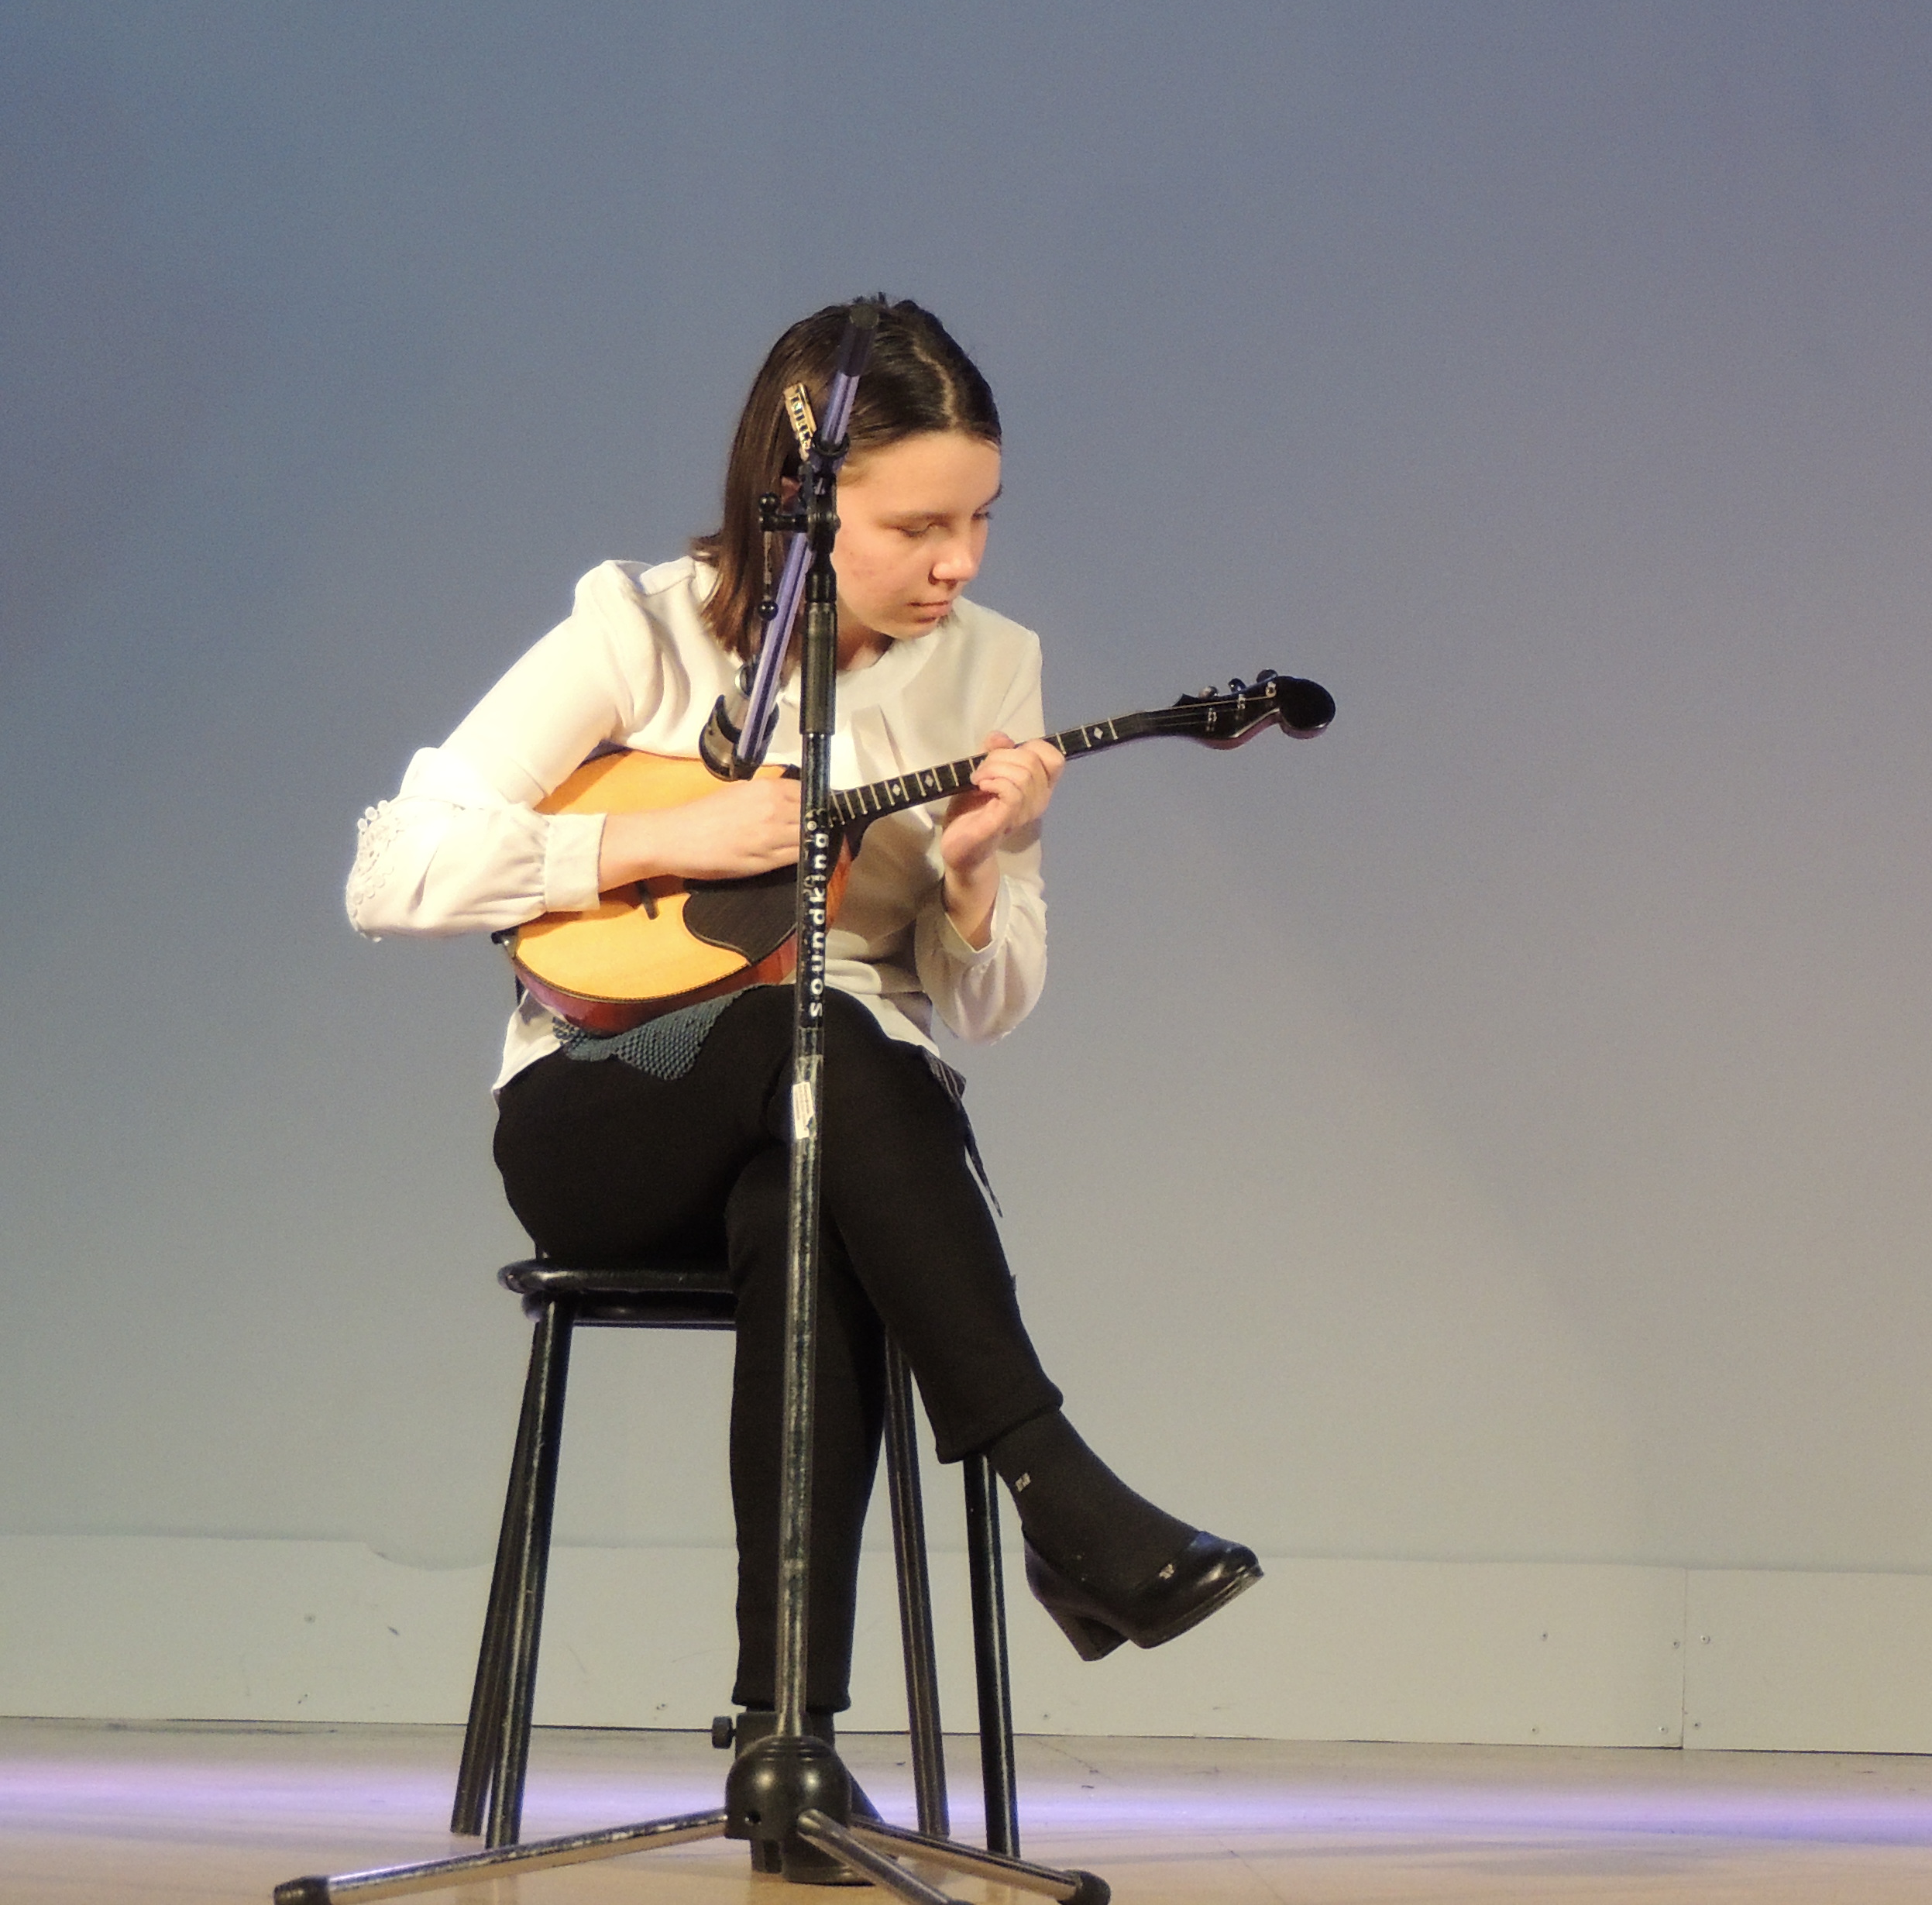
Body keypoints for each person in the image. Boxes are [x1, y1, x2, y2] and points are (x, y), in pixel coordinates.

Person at [348, 298, 1254, 1839]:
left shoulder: (994, 669)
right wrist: (656, 840)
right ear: (802, 495)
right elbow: (391, 869)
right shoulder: (639, 630)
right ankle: (1056, 1492)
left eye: (981, 519)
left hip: (848, 1137)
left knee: (819, 1169)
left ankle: (790, 1749)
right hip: (609, 1110)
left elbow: (987, 1007)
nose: (959, 563)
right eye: (918, 527)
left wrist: (977, 869)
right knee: (815, 1036)